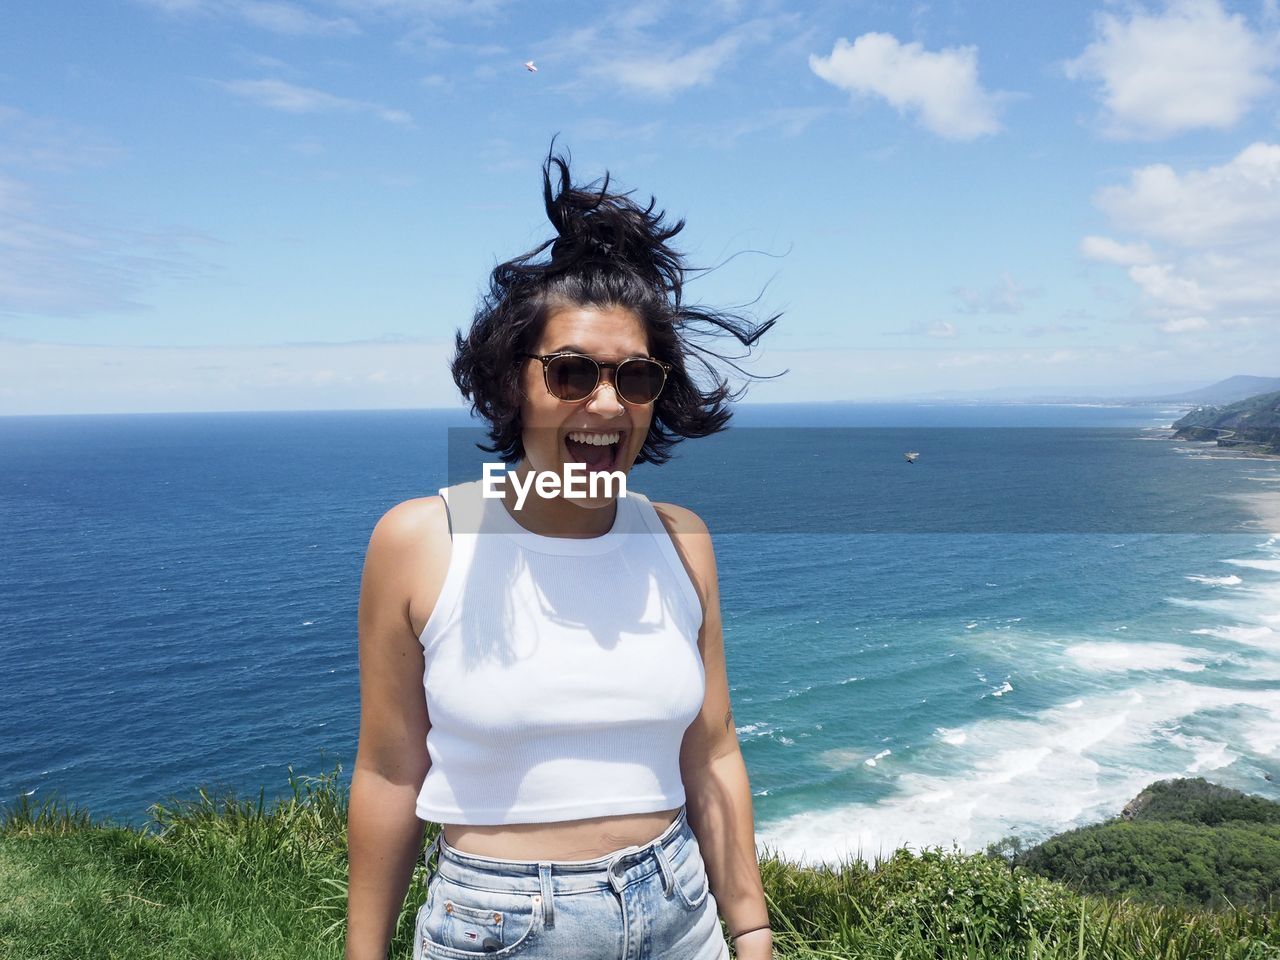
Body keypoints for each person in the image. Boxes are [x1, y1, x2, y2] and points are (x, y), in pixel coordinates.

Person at [346, 141, 779, 960]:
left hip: (682, 913)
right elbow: (388, 772)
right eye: (572, 372)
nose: (606, 404)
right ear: (516, 380)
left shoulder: (682, 543)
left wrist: (750, 928)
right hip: (502, 927)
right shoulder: (420, 541)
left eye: (637, 378)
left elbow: (713, 750)